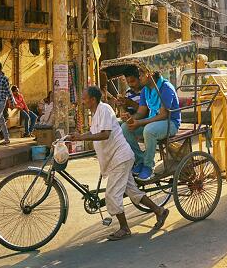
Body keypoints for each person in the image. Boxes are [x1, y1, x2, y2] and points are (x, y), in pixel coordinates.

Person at [70, 86, 169, 241]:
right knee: (132, 191)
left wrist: (83, 138)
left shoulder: (104, 109)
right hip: (117, 159)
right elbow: (94, 132)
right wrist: (79, 136)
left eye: (84, 99)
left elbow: (105, 134)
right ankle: (159, 210)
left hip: (120, 158)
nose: (82, 102)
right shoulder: (96, 113)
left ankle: (124, 228)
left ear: (93, 99)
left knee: (111, 194)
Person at [121, 70, 181, 181]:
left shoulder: (165, 87)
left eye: (141, 75)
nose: (139, 78)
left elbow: (163, 115)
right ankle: (140, 160)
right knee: (125, 127)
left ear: (150, 75)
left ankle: (148, 166)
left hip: (170, 123)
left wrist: (140, 122)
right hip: (153, 121)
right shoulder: (145, 90)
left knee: (149, 130)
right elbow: (141, 112)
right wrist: (130, 118)